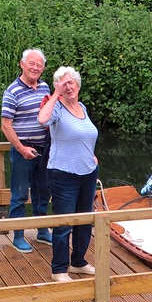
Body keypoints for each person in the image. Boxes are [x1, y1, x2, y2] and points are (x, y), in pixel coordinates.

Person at [38, 66, 98, 282]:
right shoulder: (55, 108)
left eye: (71, 82)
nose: (68, 86)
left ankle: (78, 262)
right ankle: (59, 269)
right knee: (64, 223)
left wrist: (91, 155)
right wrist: (56, 94)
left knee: (84, 220)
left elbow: (85, 136)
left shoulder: (82, 107)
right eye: (63, 83)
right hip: (63, 173)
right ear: (57, 86)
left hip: (88, 172)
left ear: (78, 85)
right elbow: (42, 120)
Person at [1, 48, 52, 253]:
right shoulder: (12, 91)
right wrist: (21, 149)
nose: (35, 67)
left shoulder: (45, 87)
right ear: (22, 64)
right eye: (31, 63)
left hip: (44, 148)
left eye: (39, 65)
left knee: (43, 191)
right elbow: (6, 125)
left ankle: (42, 231)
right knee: (19, 194)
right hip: (23, 150)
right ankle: (19, 235)